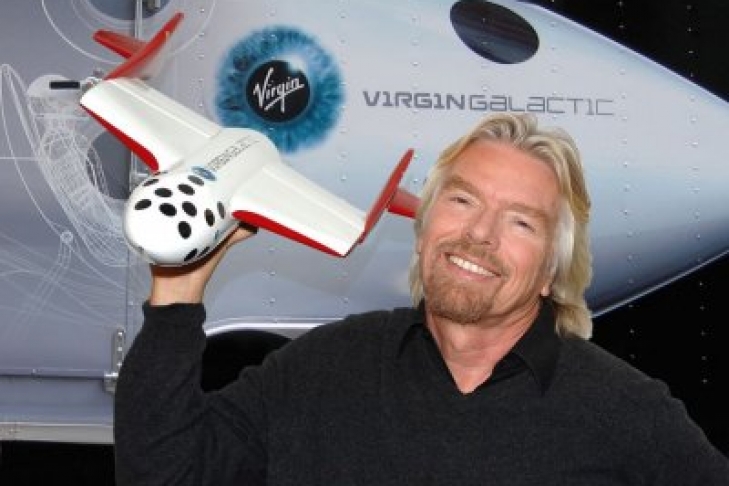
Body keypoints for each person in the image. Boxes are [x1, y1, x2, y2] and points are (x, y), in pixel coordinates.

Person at [114, 113, 729, 485]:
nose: (479, 234)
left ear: (550, 270)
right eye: (462, 200)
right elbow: (164, 473)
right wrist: (177, 287)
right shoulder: (320, 369)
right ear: (425, 223)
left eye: (520, 222)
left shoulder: (625, 412)